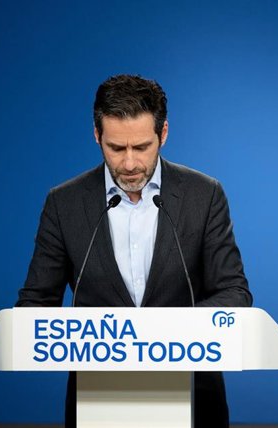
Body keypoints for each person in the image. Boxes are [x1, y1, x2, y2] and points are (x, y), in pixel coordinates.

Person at [16, 74, 252, 428]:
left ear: (163, 134)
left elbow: (234, 292)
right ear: (97, 135)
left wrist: (163, 331)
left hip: (193, 396)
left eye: (141, 147)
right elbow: (35, 305)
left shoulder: (204, 195)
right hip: (97, 402)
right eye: (116, 148)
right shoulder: (64, 203)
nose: (129, 164)